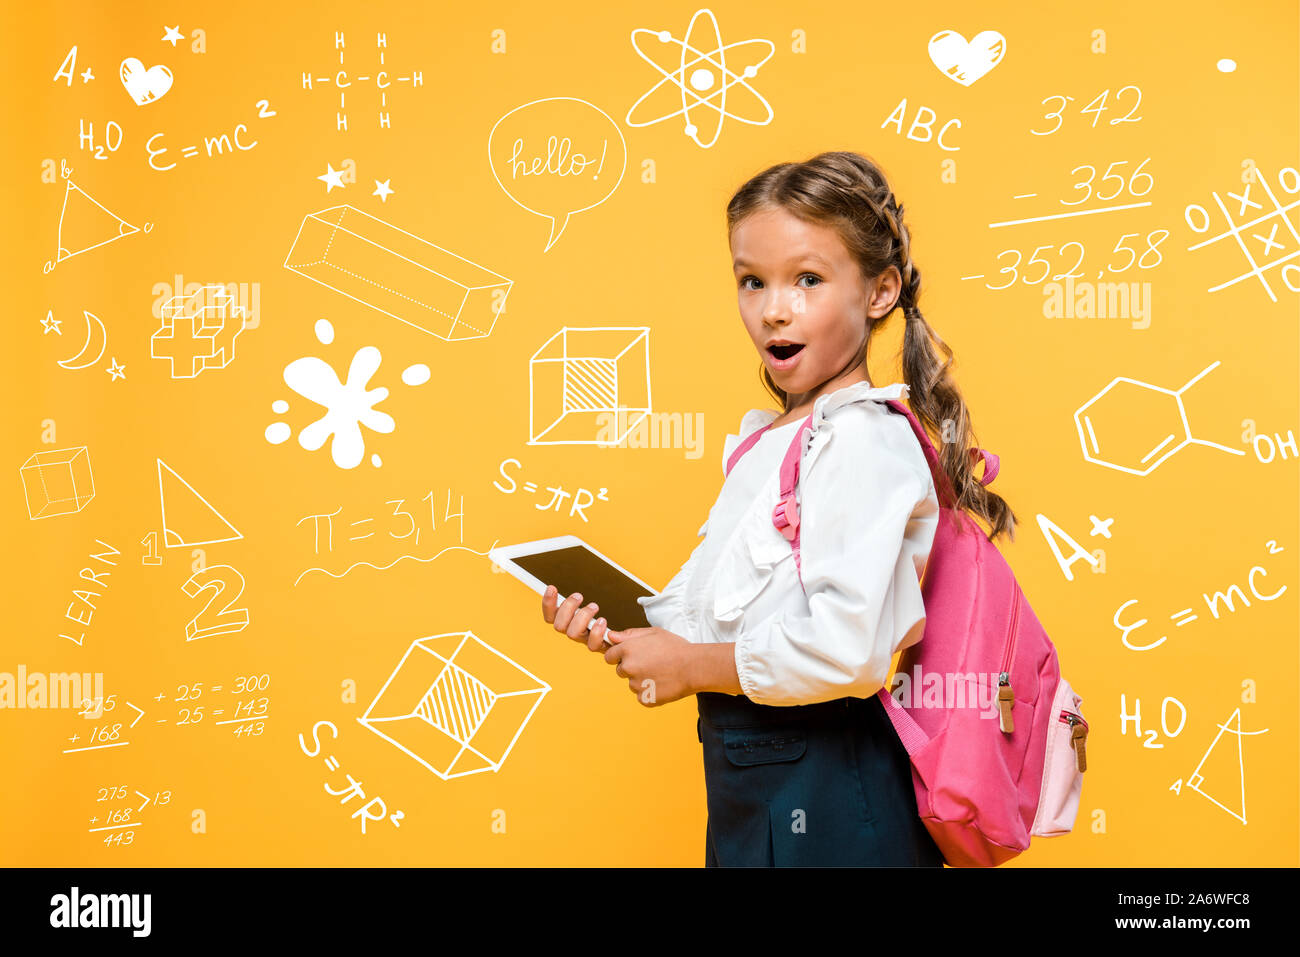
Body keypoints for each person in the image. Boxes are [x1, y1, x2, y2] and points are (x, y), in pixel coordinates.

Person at [541, 150, 1017, 866]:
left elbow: (847, 650)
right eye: (751, 280)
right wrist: (628, 631)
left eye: (808, 279)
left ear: (881, 291)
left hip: (830, 797)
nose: (773, 308)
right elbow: (729, 609)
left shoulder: (861, 439)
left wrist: (692, 664)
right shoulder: (773, 440)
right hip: (756, 788)